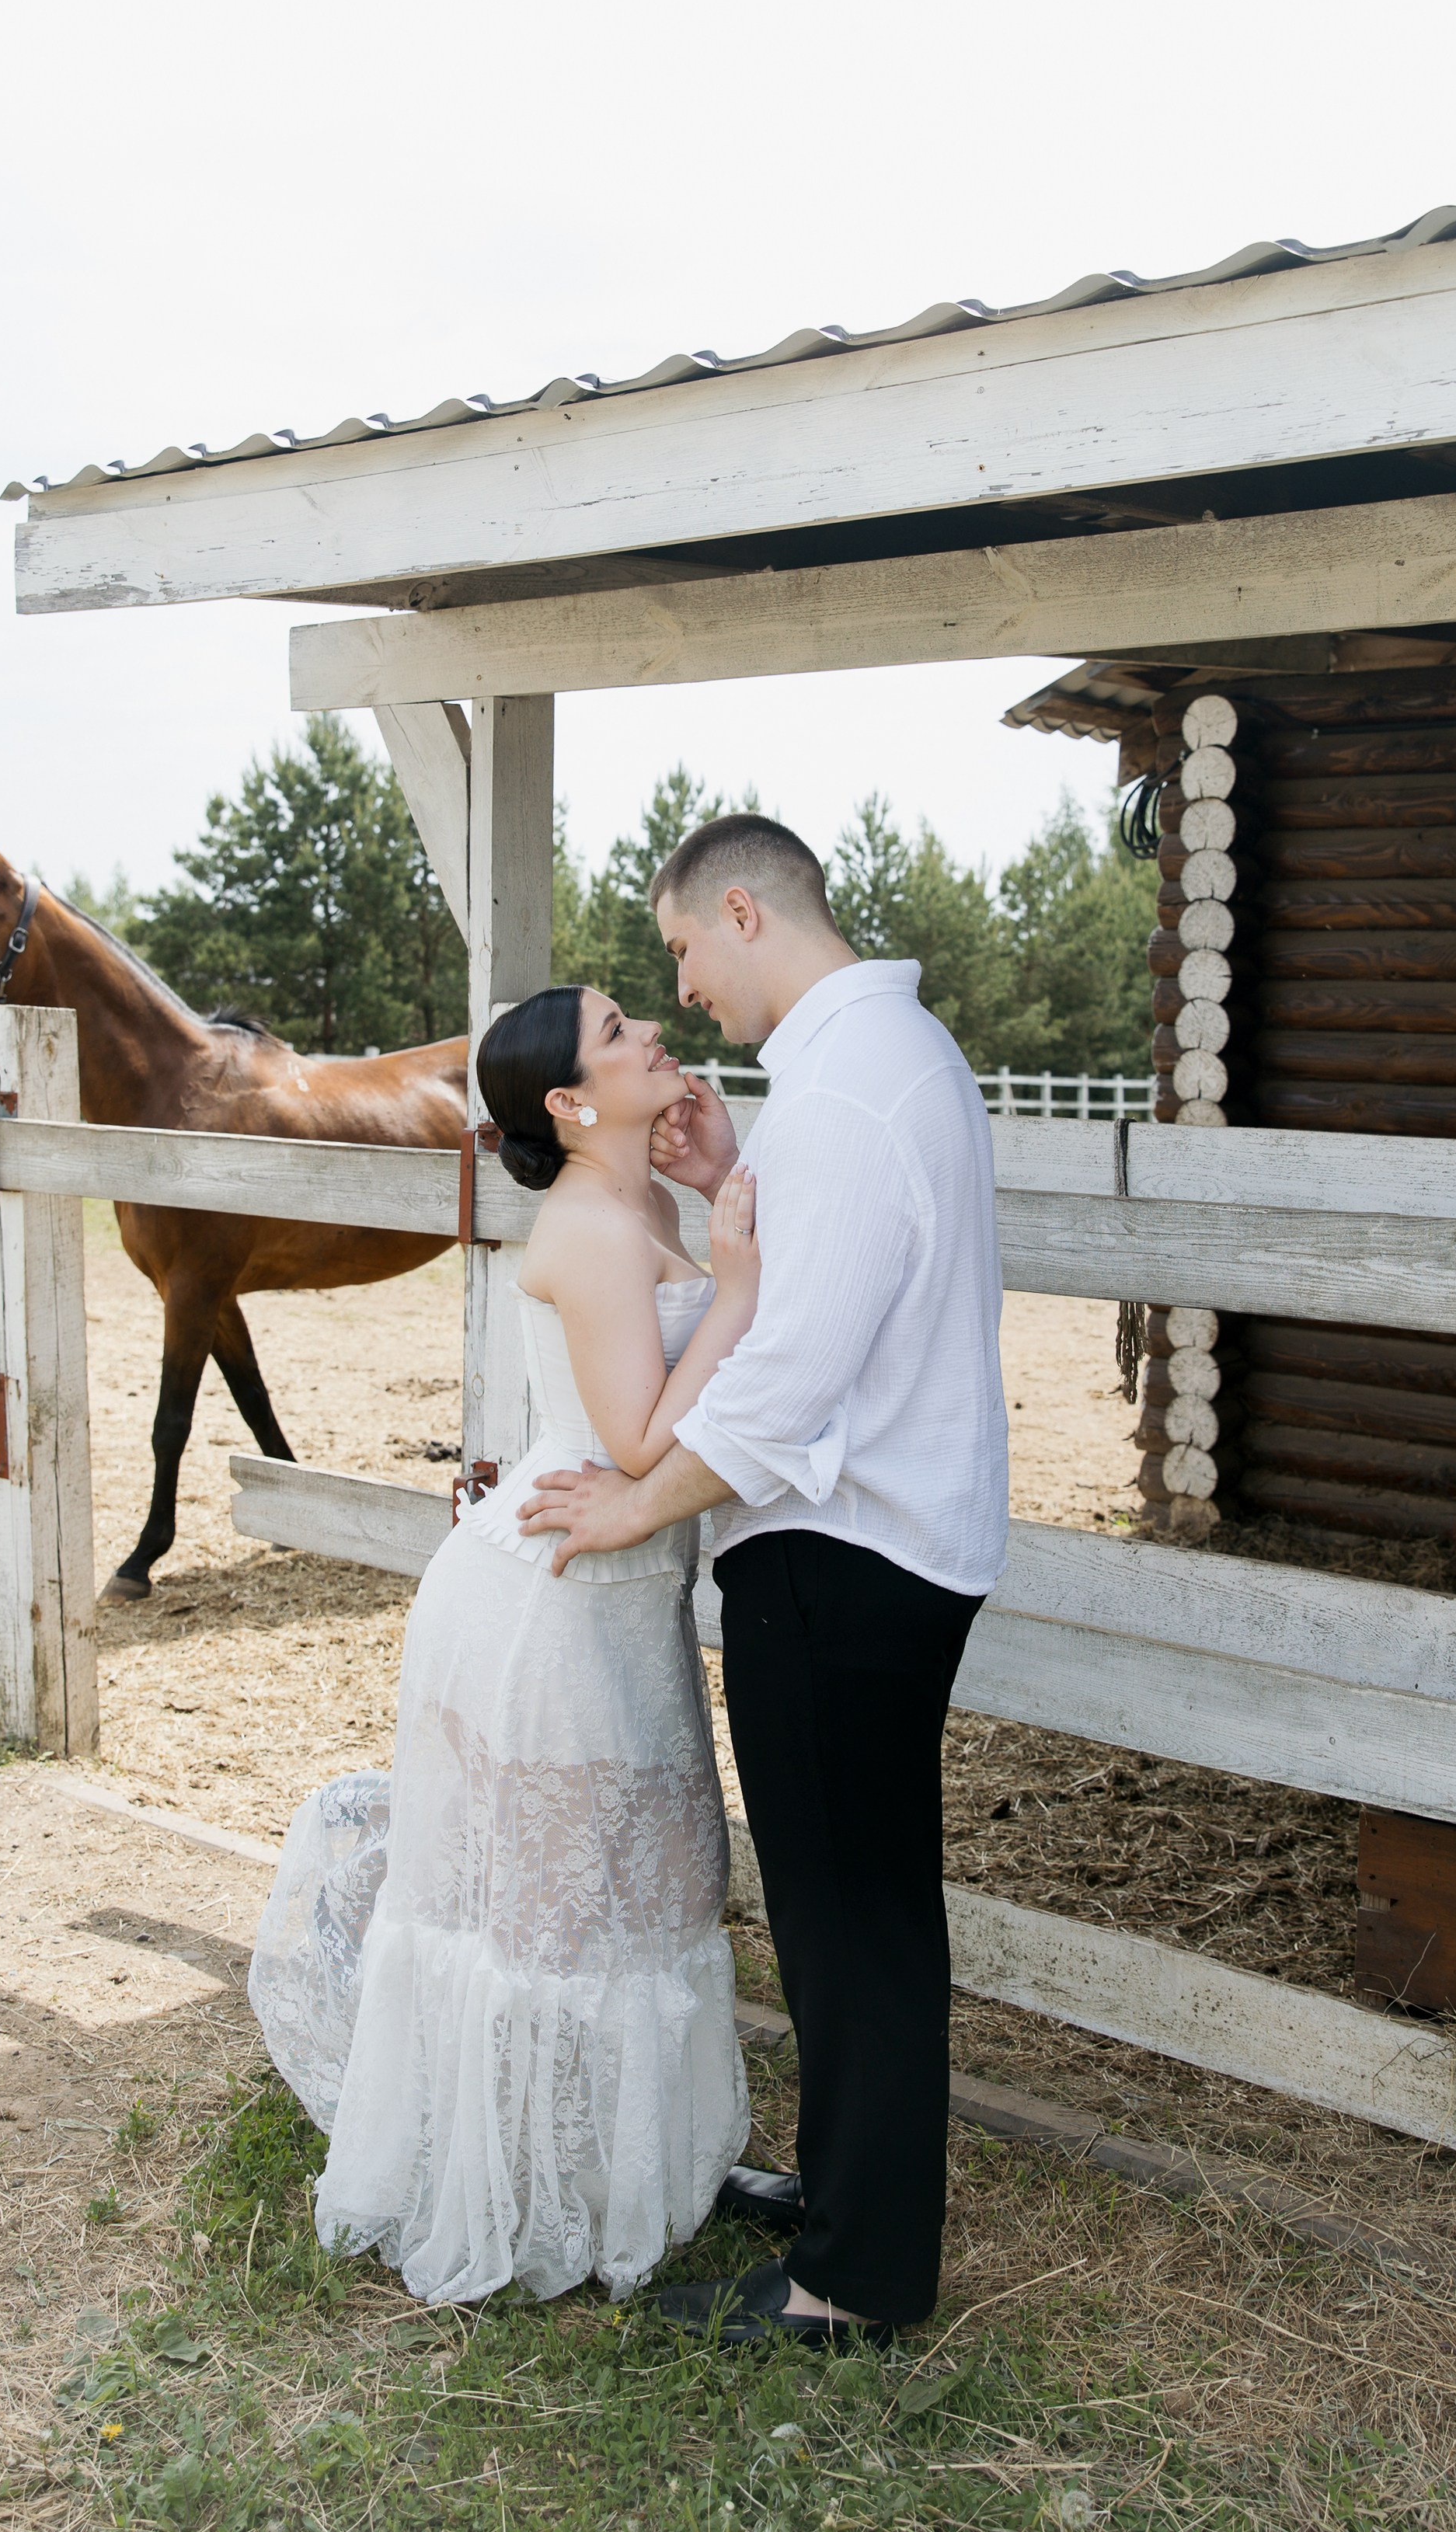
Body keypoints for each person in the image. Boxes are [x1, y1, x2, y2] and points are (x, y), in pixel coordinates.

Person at [517, 813, 1008, 2348]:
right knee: (848, 1909)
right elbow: (816, 1285)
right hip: (863, 1546)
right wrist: (738, 1165)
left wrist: (633, 1508)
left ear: (742, 911)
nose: (681, 988)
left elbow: (787, 1376)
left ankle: (849, 2285)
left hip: (843, 1558)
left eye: (677, 950)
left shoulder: (856, 1088)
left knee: (847, 1916)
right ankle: (854, 2194)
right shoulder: (858, 1072)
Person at [248, 984, 758, 2303]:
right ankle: (532, 2204)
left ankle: (608, 2177)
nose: (650, 1031)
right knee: (559, 1911)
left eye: (636, 1015)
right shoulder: (589, 1227)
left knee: (642, 1886)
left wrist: (711, 1207)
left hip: (620, 1583)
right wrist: (746, 1285)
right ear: (572, 1104)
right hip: (552, 1605)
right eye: (617, 1033)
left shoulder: (639, 1196)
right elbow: (642, 1442)